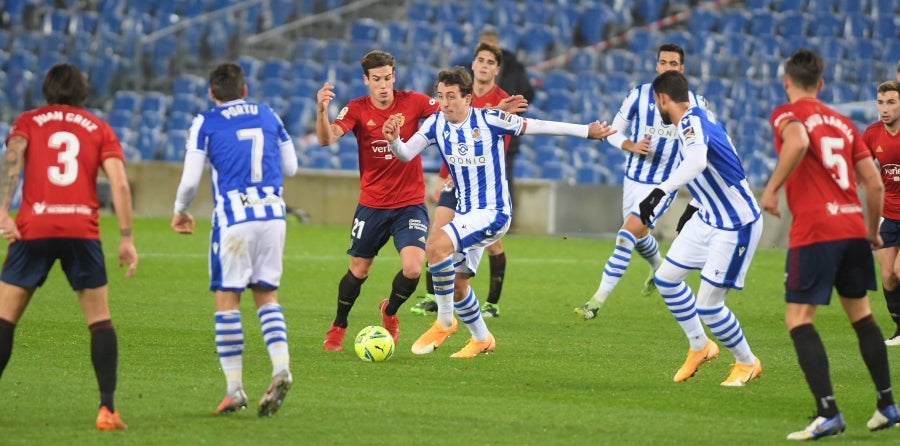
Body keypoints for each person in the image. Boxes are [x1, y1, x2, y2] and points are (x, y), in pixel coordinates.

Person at [384, 66, 614, 358]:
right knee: (457, 284)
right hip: (466, 216)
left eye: (452, 96)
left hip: (494, 213)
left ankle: (444, 321)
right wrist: (393, 140)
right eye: (440, 96)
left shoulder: (490, 119)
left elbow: (539, 126)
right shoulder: (435, 124)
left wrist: (587, 131)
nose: (445, 103)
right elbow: (405, 154)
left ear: (468, 99)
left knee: (435, 246)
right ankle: (482, 339)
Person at [316, 50, 525, 352]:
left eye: (388, 77)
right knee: (359, 270)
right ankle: (339, 324)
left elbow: (454, 108)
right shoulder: (357, 109)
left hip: (409, 204)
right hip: (372, 203)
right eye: (377, 79)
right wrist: (322, 110)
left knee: (414, 268)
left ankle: (390, 313)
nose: (384, 85)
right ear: (367, 80)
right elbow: (326, 138)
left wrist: (494, 108)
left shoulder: (414, 101)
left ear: (394, 76)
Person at [760, 48, 899, 440]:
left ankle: (828, 413)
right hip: (853, 227)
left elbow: (799, 141)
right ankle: (887, 405)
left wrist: (772, 189)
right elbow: (872, 182)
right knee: (863, 317)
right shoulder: (844, 122)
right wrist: (872, 230)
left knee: (799, 320)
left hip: (816, 232)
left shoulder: (787, 114)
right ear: (821, 84)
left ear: (787, 82)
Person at [0, 63, 137, 431]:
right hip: (81, 228)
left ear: (46, 90)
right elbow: (121, 185)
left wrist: (2, 211)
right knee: (100, 320)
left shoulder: (29, 121)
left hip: (34, 227)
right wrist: (126, 237)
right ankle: (107, 410)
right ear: (82, 93)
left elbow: (11, 160)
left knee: (4, 318)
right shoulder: (99, 128)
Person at [171, 63, 297, 417]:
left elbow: (191, 181)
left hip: (234, 220)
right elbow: (292, 167)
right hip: (273, 216)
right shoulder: (268, 113)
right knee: (266, 294)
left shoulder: (206, 122)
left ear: (212, 93)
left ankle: (234, 389)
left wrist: (180, 210)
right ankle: (280, 367)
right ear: (245, 89)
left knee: (227, 298)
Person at [638, 70, 762, 387]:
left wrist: (659, 191)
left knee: (708, 305)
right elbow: (715, 169)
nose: (657, 108)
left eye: (656, 103)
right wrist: (693, 205)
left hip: (735, 223)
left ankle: (747, 363)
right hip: (707, 217)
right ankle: (700, 346)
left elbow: (696, 163)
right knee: (666, 279)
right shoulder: (696, 121)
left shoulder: (692, 123)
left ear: (663, 99)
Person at [575, 43, 712, 320]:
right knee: (638, 236)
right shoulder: (638, 95)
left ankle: (595, 302)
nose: (667, 68)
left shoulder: (696, 105)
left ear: (682, 69)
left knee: (626, 234)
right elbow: (613, 132)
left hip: (664, 185)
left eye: (673, 64)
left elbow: (705, 148)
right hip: (633, 178)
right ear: (657, 65)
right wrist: (629, 145)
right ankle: (658, 267)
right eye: (663, 63)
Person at [411, 42, 511, 318]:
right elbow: (447, 141)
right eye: (480, 60)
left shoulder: (501, 100)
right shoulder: (454, 95)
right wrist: (445, 177)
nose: (484, 66)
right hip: (455, 181)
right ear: (474, 64)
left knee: (493, 244)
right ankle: (434, 296)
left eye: (490, 62)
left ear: (496, 69)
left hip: (486, 184)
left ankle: (491, 302)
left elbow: (499, 144)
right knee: (437, 237)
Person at [476, 26, 535, 207]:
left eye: (491, 44)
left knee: (504, 176)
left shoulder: (514, 66)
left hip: (505, 131)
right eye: (484, 44)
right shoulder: (474, 67)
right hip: (479, 133)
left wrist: (512, 113)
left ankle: (506, 216)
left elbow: (528, 93)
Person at [864, 80, 900, 346]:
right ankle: (899, 329)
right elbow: (860, 169)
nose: (884, 109)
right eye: (880, 102)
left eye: (891, 102)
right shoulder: (873, 134)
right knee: (887, 275)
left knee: (899, 270)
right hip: (888, 214)